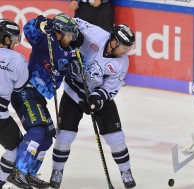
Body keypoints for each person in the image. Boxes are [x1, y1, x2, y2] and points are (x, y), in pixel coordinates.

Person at [49, 18, 136, 189]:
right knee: (64, 136)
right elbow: (71, 21)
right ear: (113, 41)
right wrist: (76, 36)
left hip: (97, 97)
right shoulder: (95, 34)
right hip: (74, 91)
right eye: (124, 47)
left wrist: (96, 100)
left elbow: (111, 88)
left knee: (116, 137)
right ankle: (57, 171)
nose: (126, 51)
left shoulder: (122, 62)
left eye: (129, 48)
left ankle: (126, 171)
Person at [7, 13, 81, 189]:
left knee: (47, 138)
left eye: (72, 35)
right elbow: (28, 29)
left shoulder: (69, 51)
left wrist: (78, 66)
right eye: (68, 34)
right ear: (59, 33)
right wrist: (41, 21)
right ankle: (18, 171)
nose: (71, 38)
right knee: (38, 131)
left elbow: (78, 68)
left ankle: (29, 174)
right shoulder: (45, 40)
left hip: (40, 98)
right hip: (26, 92)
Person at [0, 19, 28, 188]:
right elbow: (19, 86)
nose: (17, 41)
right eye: (15, 38)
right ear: (7, 39)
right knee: (15, 149)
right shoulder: (18, 59)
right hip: (0, 116)